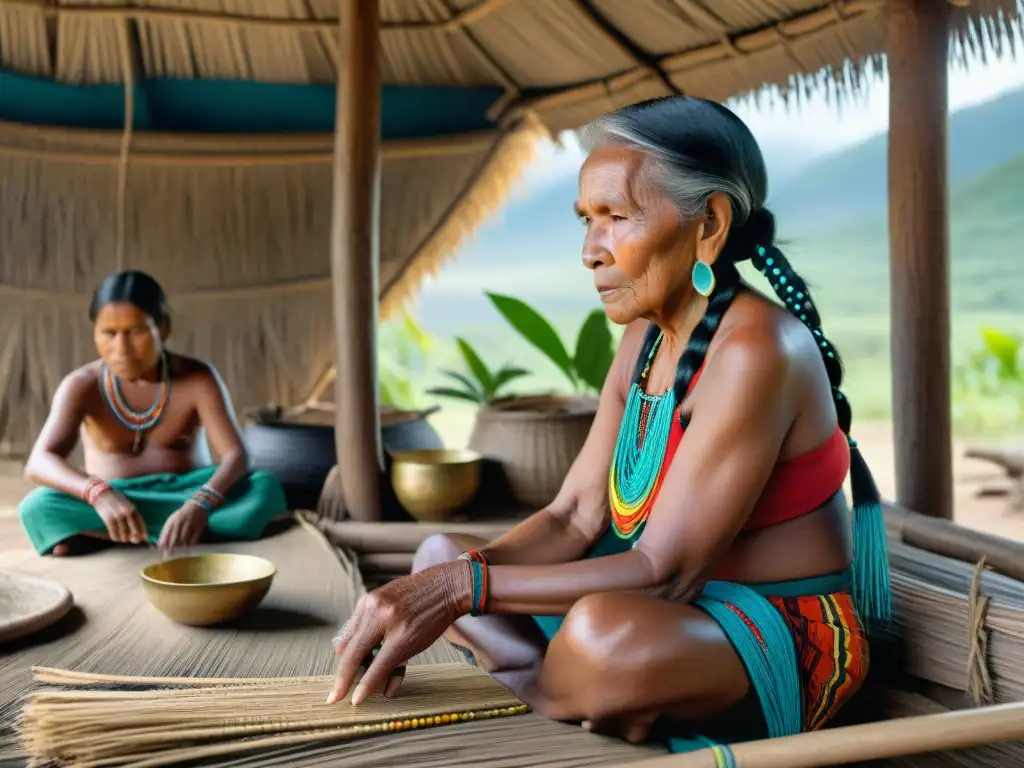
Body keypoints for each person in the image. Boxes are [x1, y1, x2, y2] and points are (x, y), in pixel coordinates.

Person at [327, 97, 891, 756]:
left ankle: (565, 684)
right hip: (670, 607)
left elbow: (661, 573)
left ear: (708, 225)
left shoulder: (756, 350)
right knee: (435, 556)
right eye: (586, 221)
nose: (592, 251)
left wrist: (461, 594)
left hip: (772, 629)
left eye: (617, 217)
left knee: (598, 635)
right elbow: (573, 517)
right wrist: (442, 583)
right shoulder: (645, 340)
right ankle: (580, 693)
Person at [19, 270, 286, 557]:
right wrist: (98, 492)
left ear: (164, 328)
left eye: (136, 332)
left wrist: (201, 503)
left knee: (264, 487)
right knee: (37, 507)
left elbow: (237, 456)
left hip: (188, 496)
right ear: (94, 331)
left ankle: (119, 534)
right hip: (116, 501)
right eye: (109, 333)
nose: (121, 348)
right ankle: (157, 531)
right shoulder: (82, 385)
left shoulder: (198, 378)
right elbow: (39, 462)